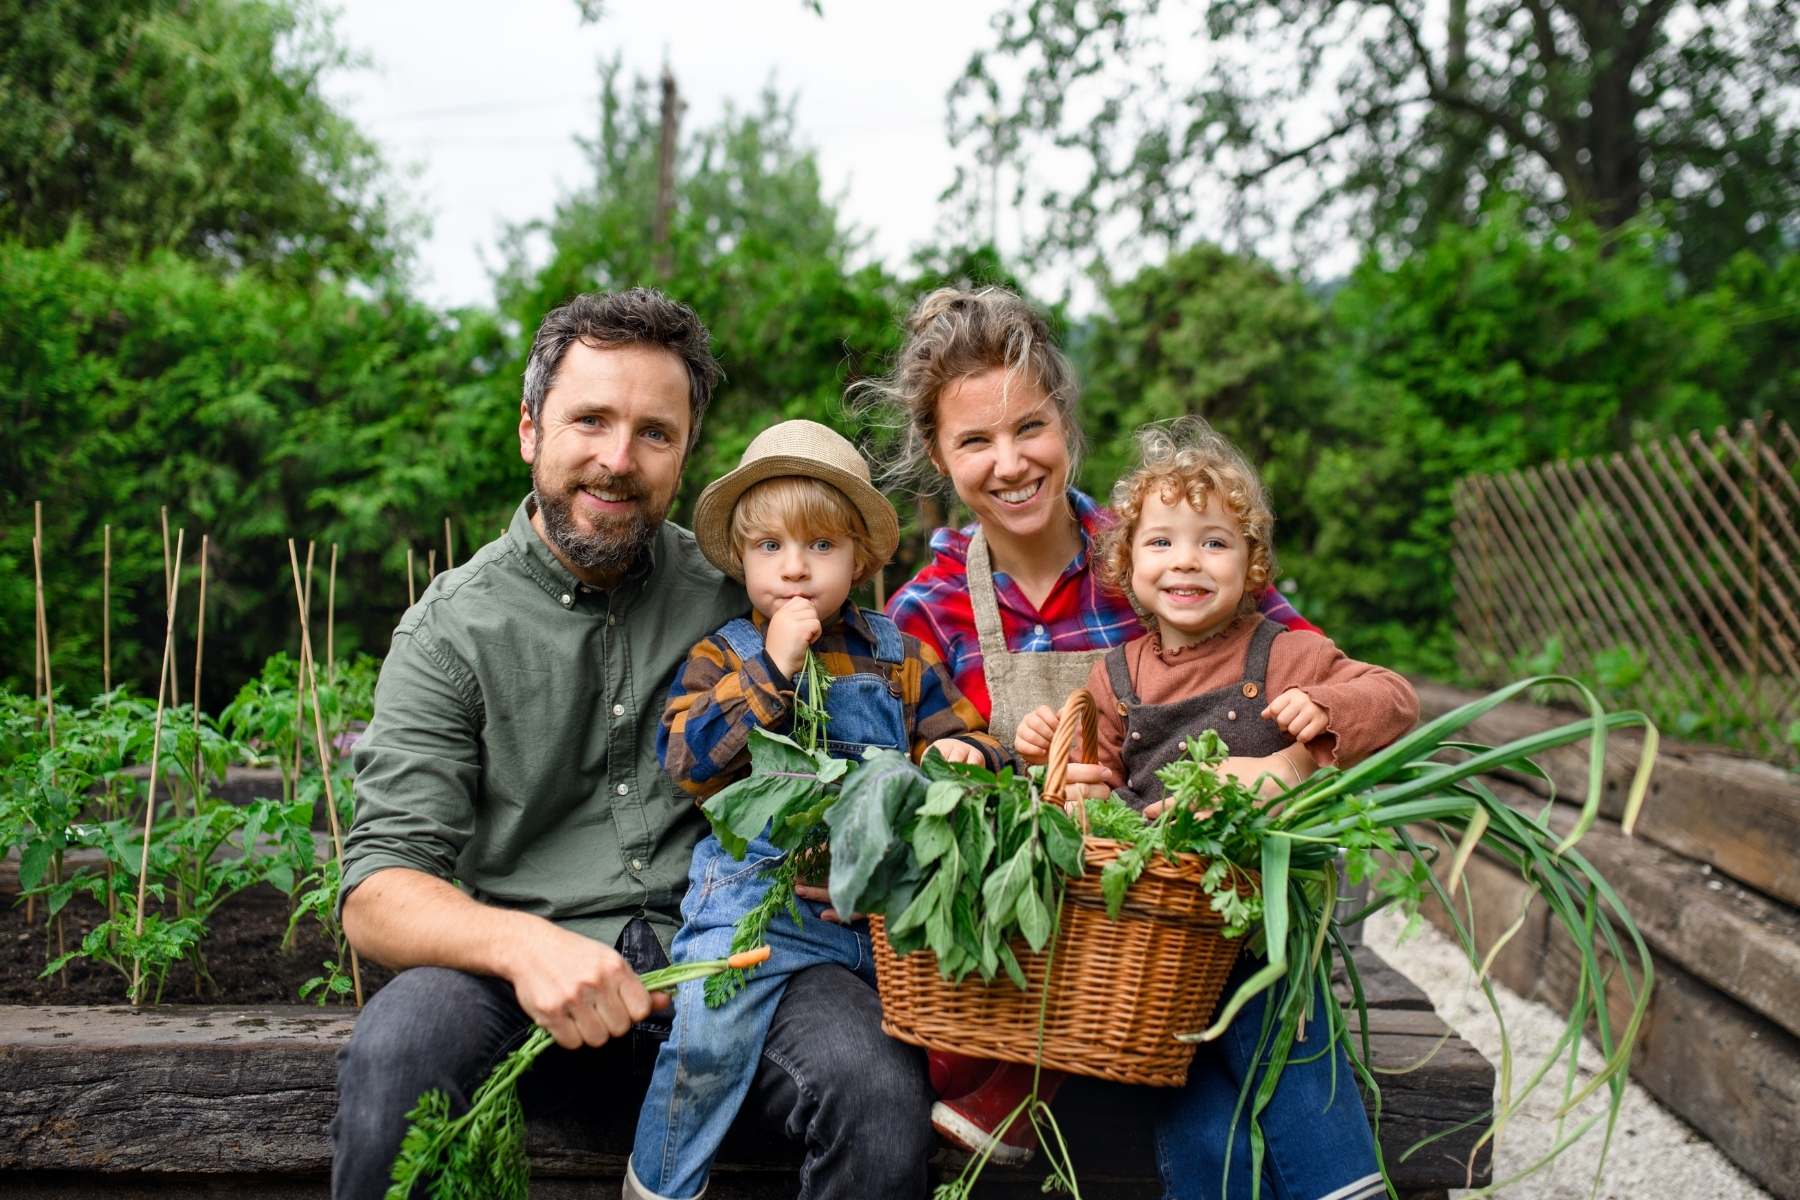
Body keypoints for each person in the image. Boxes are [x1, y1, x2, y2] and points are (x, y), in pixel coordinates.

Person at [331, 291, 934, 1200]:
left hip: (742, 960)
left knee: (876, 1084)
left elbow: (880, 705)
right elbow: (377, 894)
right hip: (522, 981)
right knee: (398, 1048)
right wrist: (525, 948)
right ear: (531, 430)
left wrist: (861, 839)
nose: (618, 460)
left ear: (685, 455)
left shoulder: (749, 593)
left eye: (654, 432)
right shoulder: (450, 632)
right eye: (591, 421)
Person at [867, 285, 1385, 1198]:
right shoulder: (925, 610)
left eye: (1030, 427)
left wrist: (1294, 757)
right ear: (941, 460)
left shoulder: (1162, 552)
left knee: (1240, 1063)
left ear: (1065, 420)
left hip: (1196, 930)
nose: (1010, 461)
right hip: (1045, 981)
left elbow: (1311, 674)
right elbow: (917, 795)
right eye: (974, 441)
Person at [627, 418, 1006, 1200]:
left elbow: (966, 738)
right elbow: (686, 760)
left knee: (947, 1021)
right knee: (707, 1039)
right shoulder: (726, 653)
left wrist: (968, 757)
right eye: (770, 548)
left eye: (820, 548)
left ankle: (994, 1116)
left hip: (871, 918)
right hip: (752, 905)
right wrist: (773, 667)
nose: (794, 570)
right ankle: (661, 1184)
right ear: (741, 558)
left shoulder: (898, 654)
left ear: (862, 558)